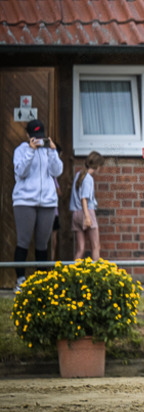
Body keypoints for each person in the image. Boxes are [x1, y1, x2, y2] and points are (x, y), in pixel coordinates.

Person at [11, 119, 63, 290]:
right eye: (34, 136)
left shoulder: (48, 150)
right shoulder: (21, 150)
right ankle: (20, 281)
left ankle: (42, 282)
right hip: (24, 201)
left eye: (40, 136)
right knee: (23, 241)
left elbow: (57, 171)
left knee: (42, 244)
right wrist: (31, 151)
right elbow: (20, 172)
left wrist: (53, 152)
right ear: (28, 135)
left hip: (47, 202)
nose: (38, 139)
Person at [70, 151, 105, 260]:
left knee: (80, 249)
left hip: (75, 214)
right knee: (96, 247)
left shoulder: (78, 175)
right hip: (87, 212)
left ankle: (73, 270)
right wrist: (87, 217)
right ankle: (96, 270)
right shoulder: (88, 178)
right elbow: (84, 199)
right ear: (97, 166)